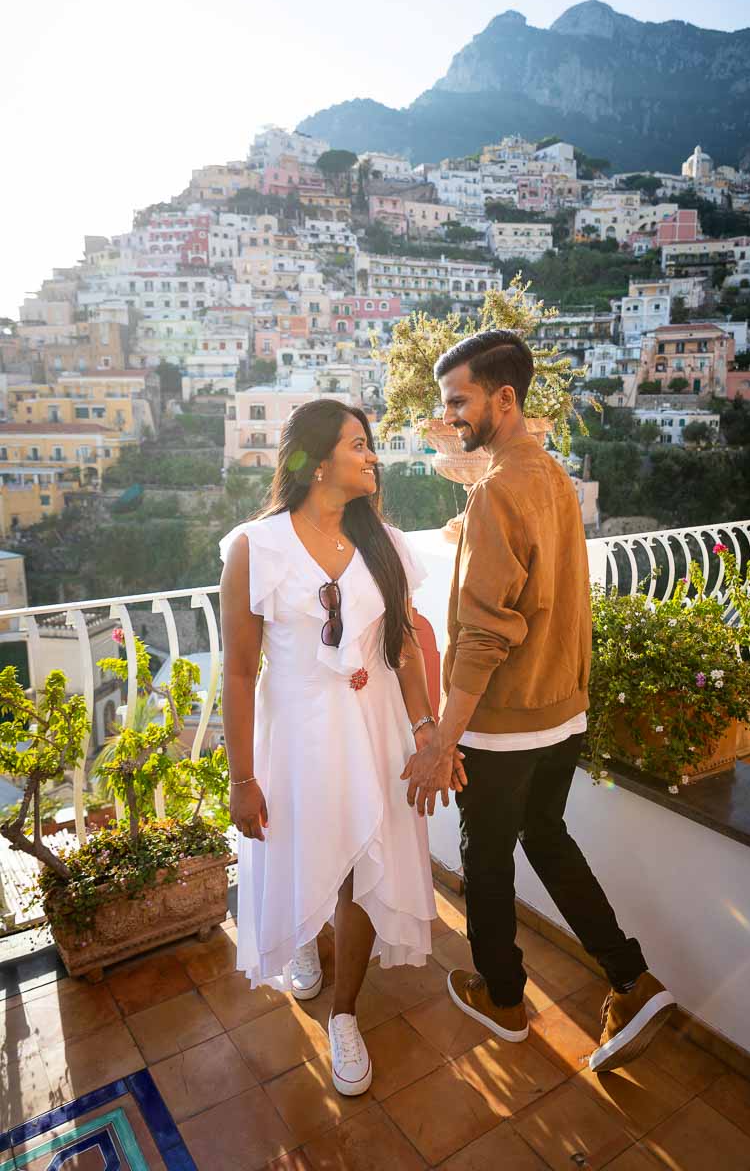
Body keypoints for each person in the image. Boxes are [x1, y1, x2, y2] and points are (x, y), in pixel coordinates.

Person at [402, 329, 676, 1073]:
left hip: (506, 724)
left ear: (504, 398)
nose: (449, 415)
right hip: (562, 713)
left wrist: (439, 743)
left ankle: (504, 1000)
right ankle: (630, 977)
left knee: (484, 863)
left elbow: (484, 635)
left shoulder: (500, 490)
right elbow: (539, 580)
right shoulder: (550, 475)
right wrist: (469, 523)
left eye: (457, 401)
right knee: (546, 837)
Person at [219, 399, 455, 1096]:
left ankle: (345, 1015)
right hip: (294, 736)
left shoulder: (386, 544)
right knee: (303, 848)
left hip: (374, 728)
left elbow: (406, 648)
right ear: (318, 461)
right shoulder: (254, 548)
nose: (372, 457)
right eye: (358, 445)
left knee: (361, 864)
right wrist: (241, 778)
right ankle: (304, 943)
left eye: (370, 445)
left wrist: (425, 729)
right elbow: (238, 669)